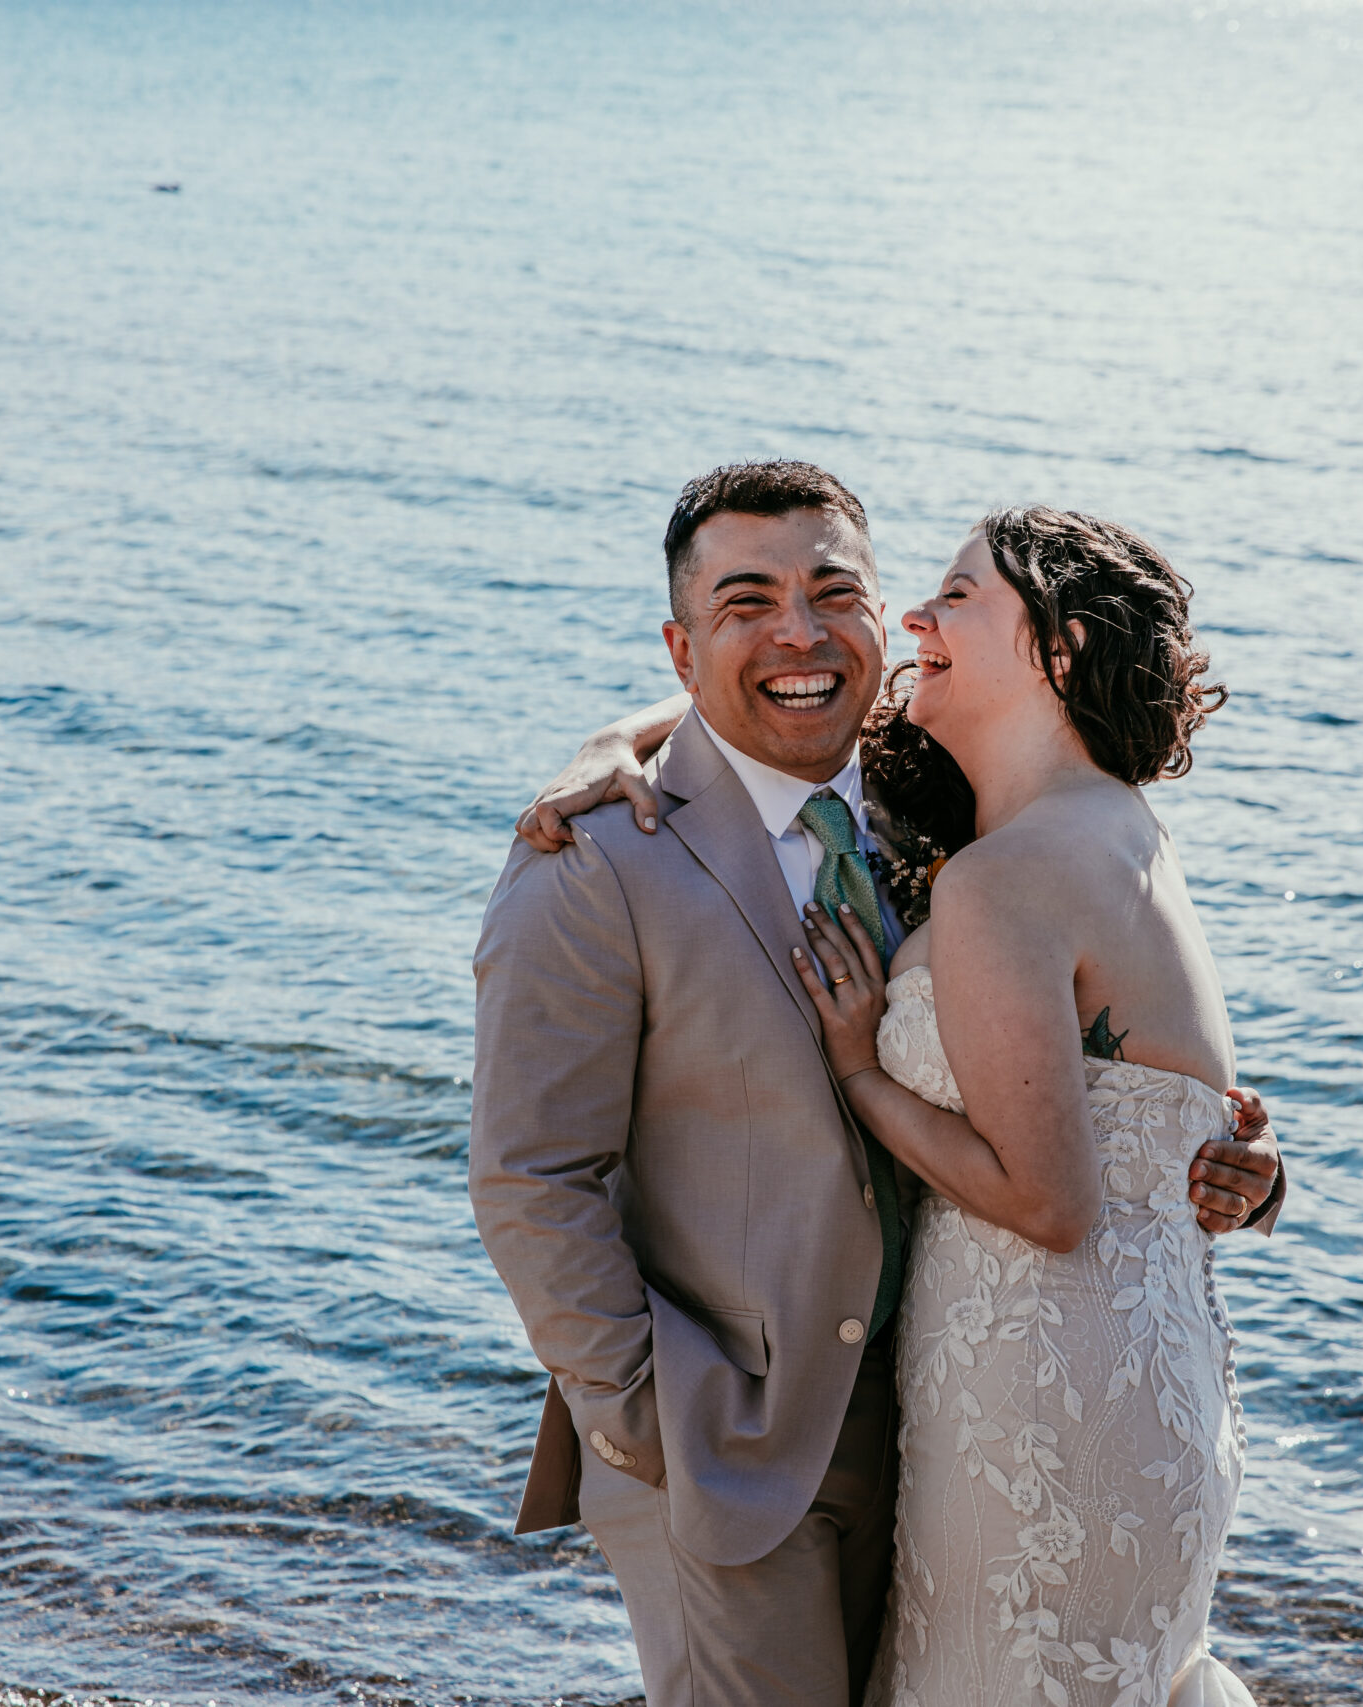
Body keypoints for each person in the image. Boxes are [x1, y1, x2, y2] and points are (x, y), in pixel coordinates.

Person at [469, 462, 1284, 1707]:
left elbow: (1119, 1056)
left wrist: (1241, 1172)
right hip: (725, 1432)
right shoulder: (593, 864)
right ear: (682, 647)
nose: (799, 631)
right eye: (747, 603)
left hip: (950, 1417)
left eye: (834, 590)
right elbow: (531, 1179)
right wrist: (640, 1416)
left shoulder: (933, 802)